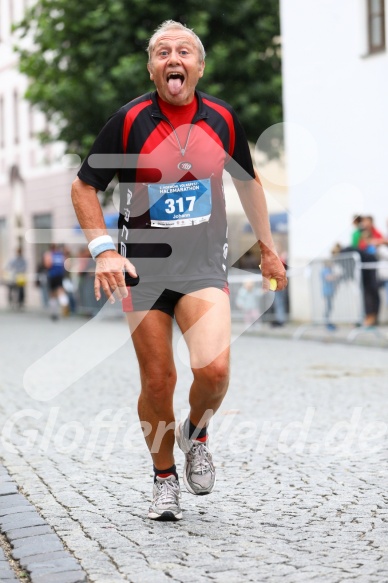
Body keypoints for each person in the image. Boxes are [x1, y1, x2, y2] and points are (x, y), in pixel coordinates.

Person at [71, 20, 287, 521]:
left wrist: (269, 249)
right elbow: (84, 186)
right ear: (151, 68)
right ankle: (164, 477)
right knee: (157, 380)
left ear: (198, 66)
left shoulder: (222, 119)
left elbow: (249, 181)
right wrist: (104, 249)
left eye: (184, 51)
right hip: (143, 271)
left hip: (203, 268)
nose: (174, 58)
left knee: (213, 372)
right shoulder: (128, 122)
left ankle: (197, 433)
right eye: (163, 52)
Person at [43, 244, 68, 320]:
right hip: (60, 275)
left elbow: (47, 264)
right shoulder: (61, 255)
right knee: (60, 291)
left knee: (52, 294)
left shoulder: (49, 254)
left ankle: (54, 312)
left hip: (52, 275)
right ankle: (65, 306)